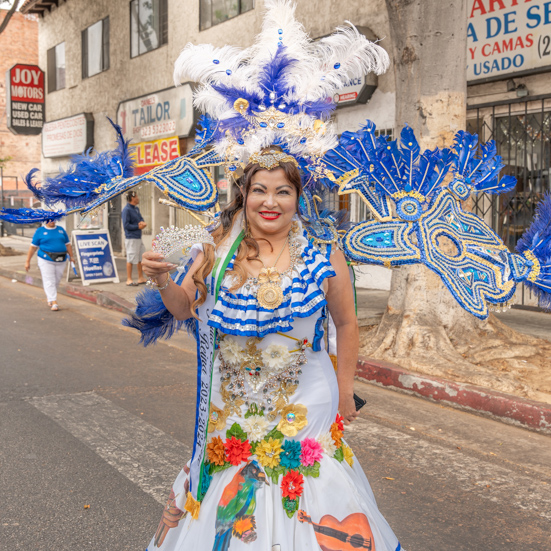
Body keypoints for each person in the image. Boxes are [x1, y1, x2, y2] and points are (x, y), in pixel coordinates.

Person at [140, 150, 402, 551]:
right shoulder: (215, 248)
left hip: (306, 402)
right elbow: (182, 306)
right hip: (233, 408)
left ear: (298, 198)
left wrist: (346, 390)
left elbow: (346, 324)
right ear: (243, 193)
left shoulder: (323, 254)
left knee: (304, 484)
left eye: (283, 191)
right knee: (236, 491)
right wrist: (161, 281)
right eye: (259, 189)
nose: (270, 201)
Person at [25, 219, 74, 311]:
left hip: (61, 259)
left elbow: (68, 244)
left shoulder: (61, 230)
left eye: (53, 219)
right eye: (49, 219)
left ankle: (50, 296)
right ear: (45, 220)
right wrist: (28, 261)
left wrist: (71, 257)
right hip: (45, 259)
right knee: (49, 279)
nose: (52, 221)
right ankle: (54, 301)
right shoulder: (40, 231)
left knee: (56, 280)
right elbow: (33, 247)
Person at [122, 190, 147, 286]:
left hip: (138, 237)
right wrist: (138, 226)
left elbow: (141, 219)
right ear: (132, 198)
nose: (138, 198)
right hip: (131, 238)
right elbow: (126, 225)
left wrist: (142, 223)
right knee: (131, 258)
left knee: (140, 256)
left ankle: (140, 277)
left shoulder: (136, 209)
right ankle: (129, 279)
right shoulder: (126, 210)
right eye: (137, 196)